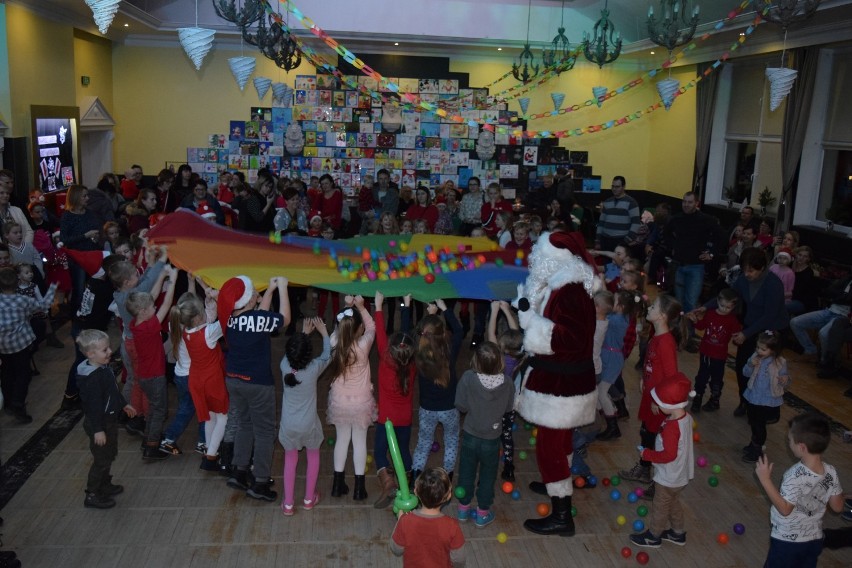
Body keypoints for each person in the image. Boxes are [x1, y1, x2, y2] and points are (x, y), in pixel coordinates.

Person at [514, 231, 599, 537]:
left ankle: (562, 514)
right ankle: (557, 484)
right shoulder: (560, 285)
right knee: (559, 442)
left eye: (539, 253)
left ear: (556, 258)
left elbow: (569, 339)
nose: (534, 258)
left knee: (549, 448)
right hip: (563, 381)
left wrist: (531, 324)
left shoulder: (571, 291)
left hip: (561, 385)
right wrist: (530, 308)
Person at [218, 275, 290, 501]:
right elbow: (284, 319)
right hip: (258, 384)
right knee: (265, 431)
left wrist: (269, 291)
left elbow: (260, 316)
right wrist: (283, 289)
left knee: (244, 424)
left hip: (233, 380)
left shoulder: (227, 318)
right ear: (250, 301)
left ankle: (239, 471)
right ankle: (260, 482)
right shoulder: (257, 320)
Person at [620, 294, 688, 497]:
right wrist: (644, 377)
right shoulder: (656, 337)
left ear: (662, 316)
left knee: (657, 439)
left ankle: (659, 482)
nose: (649, 307)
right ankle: (643, 468)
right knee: (646, 433)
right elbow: (653, 366)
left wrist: (660, 400)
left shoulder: (666, 343)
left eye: (654, 306)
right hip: (652, 398)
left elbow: (672, 377)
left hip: (659, 402)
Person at [755, 413, 844, 567]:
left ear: (802, 447)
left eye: (790, 440)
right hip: (814, 539)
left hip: (787, 542)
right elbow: (838, 507)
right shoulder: (831, 472)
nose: (788, 443)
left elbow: (785, 509)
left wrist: (765, 480)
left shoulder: (794, 476)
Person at [629, 373, 695, 548]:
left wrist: (647, 455)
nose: (657, 405)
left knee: (660, 506)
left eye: (660, 402)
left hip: (668, 476)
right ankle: (677, 533)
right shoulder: (685, 418)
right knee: (673, 503)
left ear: (669, 405)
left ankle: (653, 536)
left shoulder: (671, 428)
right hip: (680, 475)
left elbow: (669, 455)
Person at [109, 248, 169, 437]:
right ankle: (140, 417)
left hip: (128, 343)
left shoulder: (122, 293)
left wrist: (151, 263)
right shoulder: (131, 297)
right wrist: (164, 259)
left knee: (135, 381)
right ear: (126, 282)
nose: (139, 275)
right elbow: (149, 282)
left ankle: (130, 412)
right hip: (136, 346)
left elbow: (143, 281)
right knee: (142, 384)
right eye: (135, 274)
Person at [454, 341, 514, 528]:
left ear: (476, 361)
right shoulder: (508, 383)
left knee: (465, 473)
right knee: (488, 476)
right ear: (501, 362)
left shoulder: (468, 378)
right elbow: (508, 408)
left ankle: (463, 509)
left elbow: (461, 405)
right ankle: (482, 514)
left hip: (471, 435)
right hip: (492, 439)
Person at [76, 329, 137, 509]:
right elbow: (93, 407)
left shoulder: (102, 368)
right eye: (104, 350)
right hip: (100, 424)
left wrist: (123, 404)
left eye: (108, 348)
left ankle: (105, 484)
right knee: (101, 459)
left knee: (108, 454)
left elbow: (112, 391)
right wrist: (98, 430)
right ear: (90, 354)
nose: (110, 352)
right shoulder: (93, 378)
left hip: (107, 421)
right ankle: (92, 494)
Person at [167, 288, 227, 467]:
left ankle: (210, 449)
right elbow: (226, 320)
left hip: (196, 381)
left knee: (209, 417)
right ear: (199, 316)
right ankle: (210, 456)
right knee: (224, 417)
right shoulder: (208, 333)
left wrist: (210, 302)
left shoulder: (183, 331)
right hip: (212, 382)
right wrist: (219, 299)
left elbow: (210, 318)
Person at [325, 294, 376, 501]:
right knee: (360, 442)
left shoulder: (335, 342)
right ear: (359, 329)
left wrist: (347, 306)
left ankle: (338, 485)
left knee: (342, 440)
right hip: (361, 402)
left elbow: (339, 326)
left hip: (339, 402)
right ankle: (359, 488)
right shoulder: (363, 345)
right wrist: (362, 307)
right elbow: (372, 327)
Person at [279, 317, 331, 516]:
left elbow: (290, 354)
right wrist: (324, 332)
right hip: (309, 425)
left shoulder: (284, 367)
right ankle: (309, 499)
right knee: (313, 456)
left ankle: (289, 504)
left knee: (290, 461)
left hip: (288, 425)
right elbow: (327, 356)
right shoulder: (313, 369)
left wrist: (303, 333)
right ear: (309, 355)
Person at [125, 267, 178, 461]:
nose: (155, 308)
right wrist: (172, 280)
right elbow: (166, 304)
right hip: (155, 376)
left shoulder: (136, 323)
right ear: (143, 311)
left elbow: (152, 298)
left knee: (155, 410)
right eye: (152, 308)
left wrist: (162, 275)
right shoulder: (149, 327)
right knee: (159, 411)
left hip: (145, 376)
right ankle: (152, 448)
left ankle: (148, 439)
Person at [411, 299, 464, 481]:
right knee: (451, 440)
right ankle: (448, 475)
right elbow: (459, 331)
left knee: (423, 442)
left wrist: (429, 316)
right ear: (443, 335)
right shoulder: (450, 350)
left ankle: (415, 474)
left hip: (427, 409)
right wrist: (445, 310)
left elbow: (418, 334)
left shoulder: (418, 353)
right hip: (449, 407)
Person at [663, 191, 723, 348]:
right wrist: (673, 248)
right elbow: (666, 234)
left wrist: (711, 253)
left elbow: (720, 237)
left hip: (696, 267)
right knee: (679, 302)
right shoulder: (676, 219)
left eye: (689, 202)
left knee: (691, 302)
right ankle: (679, 333)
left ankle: (688, 336)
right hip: (679, 265)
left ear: (697, 203)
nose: (686, 204)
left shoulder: (706, 220)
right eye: (684, 201)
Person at [373, 292, 416, 510]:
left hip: (385, 419)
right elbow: (406, 338)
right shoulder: (411, 365)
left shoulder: (384, 357)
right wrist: (406, 306)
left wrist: (378, 306)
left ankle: (388, 482)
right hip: (404, 419)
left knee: (380, 453)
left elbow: (380, 332)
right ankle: (408, 485)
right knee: (404, 451)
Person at [0, 267, 58, 423]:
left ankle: (8, 403)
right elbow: (44, 306)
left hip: (2, 345)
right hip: (20, 344)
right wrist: (52, 287)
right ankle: (18, 403)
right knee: (23, 375)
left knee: (6, 373)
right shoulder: (23, 300)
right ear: (17, 282)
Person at [390, 467, 466, 567]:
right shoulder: (452, 526)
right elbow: (459, 560)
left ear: (416, 491)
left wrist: (399, 522)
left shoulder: (406, 521)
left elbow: (396, 550)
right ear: (448, 496)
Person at [485, 301, 523, 482]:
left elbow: (490, 333)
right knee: (506, 435)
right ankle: (509, 467)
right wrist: (507, 311)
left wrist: (494, 311)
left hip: (494, 405)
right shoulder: (521, 354)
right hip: (510, 404)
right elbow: (518, 334)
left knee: (492, 435)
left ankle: (488, 467)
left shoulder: (498, 356)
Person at [687, 288, 741, 412]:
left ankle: (715, 400)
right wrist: (695, 321)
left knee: (717, 379)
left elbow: (736, 335)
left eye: (728, 307)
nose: (724, 309)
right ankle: (697, 399)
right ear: (717, 301)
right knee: (701, 377)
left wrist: (738, 339)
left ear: (733, 307)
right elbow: (701, 327)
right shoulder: (710, 313)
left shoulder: (732, 320)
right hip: (705, 353)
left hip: (720, 356)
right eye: (722, 305)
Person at [742, 331, 791, 463]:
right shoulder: (755, 357)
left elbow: (786, 380)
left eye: (763, 349)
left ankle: (757, 450)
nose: (759, 351)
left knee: (759, 425)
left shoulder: (780, 362)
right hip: (753, 397)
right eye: (757, 347)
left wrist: (784, 379)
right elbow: (745, 373)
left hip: (768, 400)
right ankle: (753, 444)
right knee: (753, 422)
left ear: (773, 350)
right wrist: (750, 364)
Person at [598, 290, 640, 441]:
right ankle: (616, 408)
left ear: (621, 307)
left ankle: (613, 427)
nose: (610, 303)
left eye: (613, 301)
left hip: (612, 358)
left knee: (602, 392)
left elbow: (600, 317)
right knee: (604, 387)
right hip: (609, 356)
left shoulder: (616, 320)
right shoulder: (620, 316)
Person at [789, 275, 852, 372]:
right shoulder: (846, 279)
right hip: (829, 311)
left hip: (844, 318)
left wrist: (839, 296)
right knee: (795, 322)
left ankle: (825, 360)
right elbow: (829, 291)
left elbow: (842, 297)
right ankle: (811, 351)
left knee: (824, 333)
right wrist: (842, 296)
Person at [60, 185, 102, 311]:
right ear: (76, 197)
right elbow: (65, 240)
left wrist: (95, 237)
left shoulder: (89, 213)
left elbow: (97, 230)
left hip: (91, 255)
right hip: (77, 258)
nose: (87, 198)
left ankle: (90, 314)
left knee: (93, 288)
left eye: (87, 195)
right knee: (79, 289)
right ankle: (76, 318)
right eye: (84, 196)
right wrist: (85, 236)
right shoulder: (67, 216)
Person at [595, 176, 640, 252]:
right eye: (612, 186)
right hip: (605, 240)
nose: (614, 189)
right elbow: (601, 223)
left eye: (617, 187)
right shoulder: (607, 202)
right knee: (606, 263)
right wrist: (598, 240)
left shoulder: (632, 202)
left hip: (621, 241)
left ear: (624, 187)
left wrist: (627, 240)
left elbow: (636, 223)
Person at [0, 171, 34, 244]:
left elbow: (29, 231)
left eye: (7, 194)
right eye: (2, 193)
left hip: (22, 250)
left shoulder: (17, 208)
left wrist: (22, 248)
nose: (5, 195)